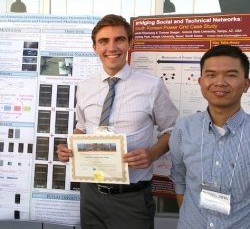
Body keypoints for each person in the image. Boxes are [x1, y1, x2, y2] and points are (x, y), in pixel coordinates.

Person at [57, 14, 178, 229]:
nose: (112, 47)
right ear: (95, 47)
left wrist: (152, 154)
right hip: (90, 193)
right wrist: (70, 147)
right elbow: (82, 127)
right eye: (104, 41)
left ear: (129, 44)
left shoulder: (152, 86)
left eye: (119, 39)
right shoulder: (85, 86)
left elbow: (172, 129)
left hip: (131, 198)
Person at [169, 44, 250, 229]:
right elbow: (179, 176)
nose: (220, 82)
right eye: (211, 75)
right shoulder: (184, 127)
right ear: (200, 82)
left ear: (246, 84)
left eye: (231, 75)